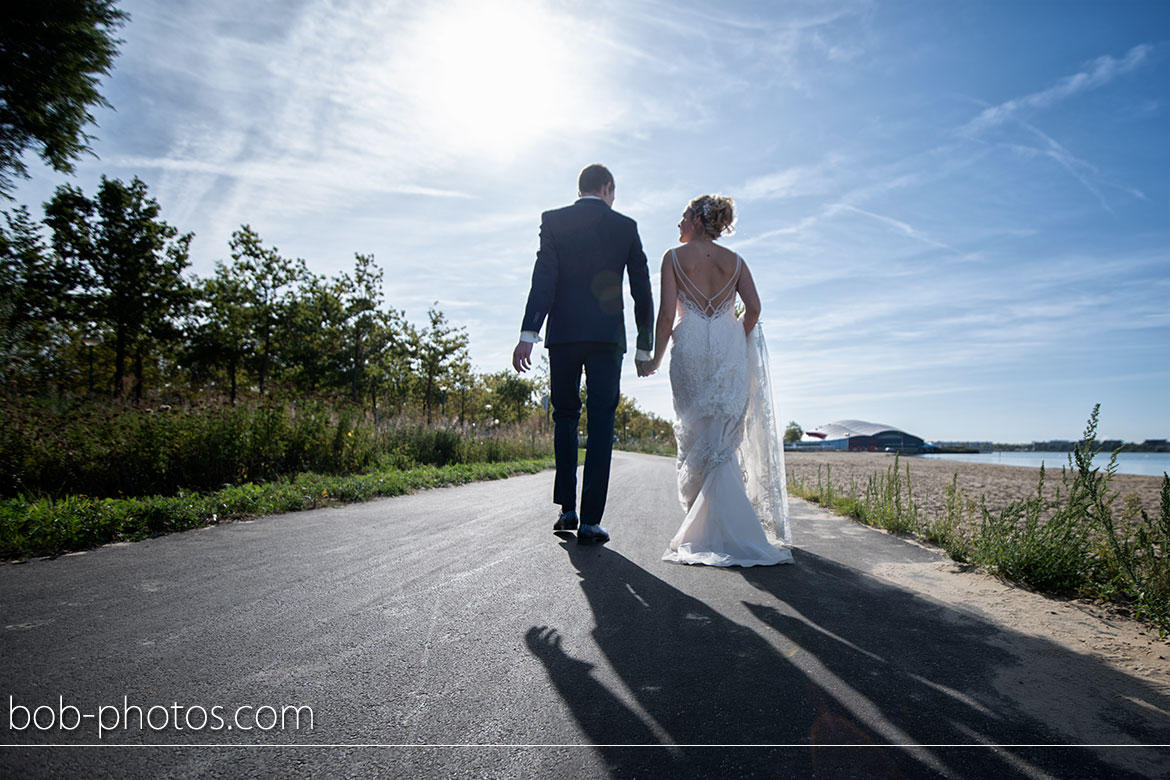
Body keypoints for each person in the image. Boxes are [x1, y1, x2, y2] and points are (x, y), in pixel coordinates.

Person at [643, 195, 794, 566]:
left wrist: (654, 358)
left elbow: (666, 317)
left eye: (682, 217)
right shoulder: (736, 262)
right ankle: (728, 528)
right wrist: (735, 336)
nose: (678, 224)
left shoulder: (673, 258)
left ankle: (706, 528)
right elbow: (754, 309)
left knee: (696, 431)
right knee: (722, 438)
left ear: (696, 219)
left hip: (691, 343)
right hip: (728, 346)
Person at [513, 164, 655, 544]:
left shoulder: (554, 221)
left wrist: (529, 332)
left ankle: (567, 510)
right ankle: (591, 521)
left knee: (564, 416)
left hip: (564, 336)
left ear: (580, 189)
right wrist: (645, 344)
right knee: (602, 422)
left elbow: (543, 277)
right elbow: (642, 288)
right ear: (608, 188)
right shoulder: (626, 226)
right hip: (608, 339)